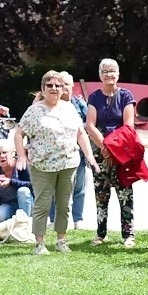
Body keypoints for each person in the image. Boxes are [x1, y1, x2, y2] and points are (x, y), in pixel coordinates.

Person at [14, 71, 91, 255]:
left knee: (65, 203)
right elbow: (19, 133)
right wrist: (22, 155)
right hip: (42, 166)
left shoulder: (69, 108)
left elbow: (80, 133)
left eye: (58, 86)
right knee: (43, 203)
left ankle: (61, 240)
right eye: (50, 86)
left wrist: (90, 156)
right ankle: (39, 243)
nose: (54, 89)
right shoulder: (34, 110)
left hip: (68, 163)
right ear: (43, 88)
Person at [85, 58, 137, 247]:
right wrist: (105, 147)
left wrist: (113, 148)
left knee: (125, 193)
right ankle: (100, 234)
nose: (109, 74)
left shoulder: (126, 96)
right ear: (100, 75)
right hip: (100, 152)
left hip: (121, 152)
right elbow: (90, 125)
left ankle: (129, 235)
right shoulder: (94, 97)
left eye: (112, 71)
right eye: (105, 71)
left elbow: (128, 126)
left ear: (118, 74)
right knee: (101, 193)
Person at [0, 139, 32, 228]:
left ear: (12, 153)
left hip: (28, 203)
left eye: (5, 152)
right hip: (9, 204)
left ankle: (25, 226)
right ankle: (14, 224)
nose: (2, 156)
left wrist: (11, 182)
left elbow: (32, 185)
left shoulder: (21, 165)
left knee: (23, 191)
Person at [62, 73, 90, 228]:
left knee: (79, 187)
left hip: (77, 152)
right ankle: (54, 219)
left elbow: (90, 122)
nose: (65, 87)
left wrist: (77, 127)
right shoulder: (51, 104)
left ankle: (77, 219)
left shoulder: (79, 104)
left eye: (67, 84)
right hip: (57, 154)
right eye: (62, 84)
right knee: (56, 189)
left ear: (73, 85)